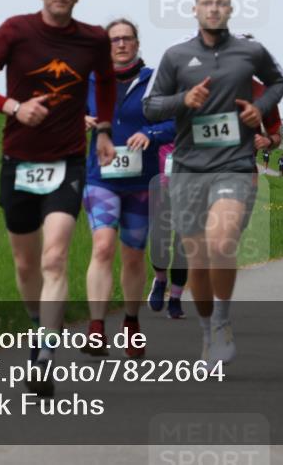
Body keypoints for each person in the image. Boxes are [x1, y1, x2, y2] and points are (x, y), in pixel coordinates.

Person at [0, 0, 117, 397]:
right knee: (26, 263)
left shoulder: (93, 40)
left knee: (54, 258)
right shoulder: (15, 31)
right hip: (18, 160)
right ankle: (37, 327)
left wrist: (103, 130)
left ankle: (46, 353)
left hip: (68, 161)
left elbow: (105, 84)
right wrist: (15, 107)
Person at [143, 0, 283, 369]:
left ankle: (223, 323)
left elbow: (279, 81)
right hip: (190, 168)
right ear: (195, 10)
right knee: (199, 262)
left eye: (221, 3)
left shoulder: (250, 52)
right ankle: (208, 330)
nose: (213, 9)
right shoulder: (176, 56)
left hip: (234, 165)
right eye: (206, 3)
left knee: (222, 242)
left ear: (230, 9)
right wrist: (182, 100)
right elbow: (151, 106)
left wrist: (261, 110)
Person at [81, 19, 175, 358]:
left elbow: (177, 122)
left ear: (136, 43)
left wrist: (151, 134)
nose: (121, 44)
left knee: (133, 256)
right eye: (115, 40)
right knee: (103, 246)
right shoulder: (90, 81)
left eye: (127, 39)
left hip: (140, 182)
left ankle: (131, 323)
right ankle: (95, 328)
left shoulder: (154, 83)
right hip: (100, 178)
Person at [148, 141, 188, 319]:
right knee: (157, 239)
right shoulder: (162, 118)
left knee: (183, 245)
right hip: (162, 188)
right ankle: (161, 280)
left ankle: (175, 298)